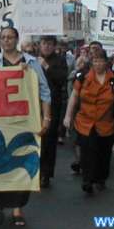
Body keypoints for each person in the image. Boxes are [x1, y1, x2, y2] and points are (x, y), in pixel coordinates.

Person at [0, 27, 51, 227]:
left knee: (23, 160)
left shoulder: (31, 63)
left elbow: (45, 92)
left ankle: (18, 208)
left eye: (10, 37)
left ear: (16, 39)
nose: (6, 41)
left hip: (24, 120)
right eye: (3, 37)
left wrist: (46, 118)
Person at [64, 49, 114, 194]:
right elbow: (74, 96)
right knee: (87, 151)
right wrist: (68, 116)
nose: (98, 64)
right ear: (91, 63)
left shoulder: (113, 79)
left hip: (106, 122)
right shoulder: (83, 77)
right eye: (95, 61)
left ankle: (100, 178)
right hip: (85, 121)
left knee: (103, 153)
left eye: (101, 61)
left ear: (106, 63)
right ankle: (87, 180)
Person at [38, 35, 68, 188]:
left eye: (50, 44)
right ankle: (35, 170)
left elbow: (61, 79)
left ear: (54, 46)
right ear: (40, 45)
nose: (47, 47)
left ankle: (46, 173)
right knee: (36, 139)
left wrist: (46, 67)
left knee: (49, 139)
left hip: (52, 104)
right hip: (35, 104)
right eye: (44, 44)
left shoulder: (60, 60)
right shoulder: (32, 59)